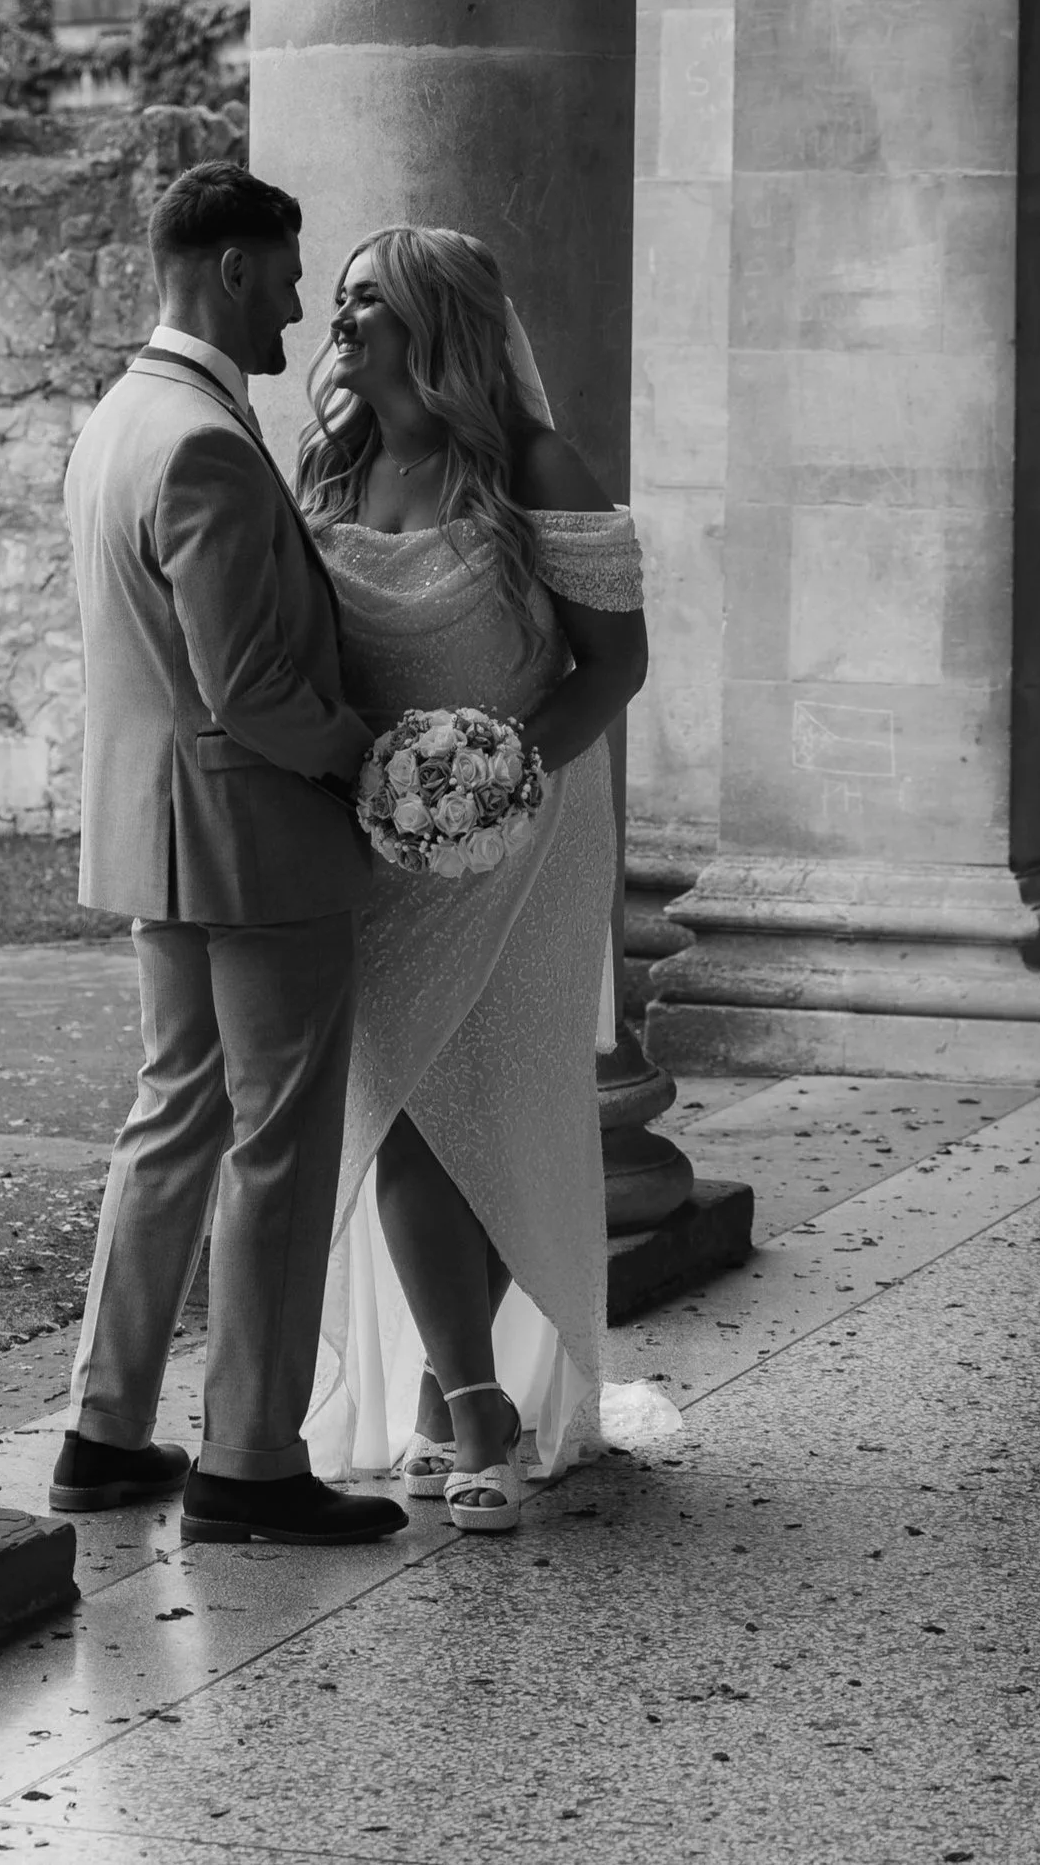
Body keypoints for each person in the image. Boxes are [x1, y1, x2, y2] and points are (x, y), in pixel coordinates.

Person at [296, 225, 678, 1533]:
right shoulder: (332, 462)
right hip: (380, 850)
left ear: (435, 324)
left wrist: (506, 773)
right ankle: (474, 1404)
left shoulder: (532, 469)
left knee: (497, 1124)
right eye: (340, 299)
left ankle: (452, 1399)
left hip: (521, 839)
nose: (339, 320)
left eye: (365, 302)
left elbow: (610, 668)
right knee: (403, 1110)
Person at [52, 161, 407, 1548]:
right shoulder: (200, 435)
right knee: (277, 1141)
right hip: (250, 843)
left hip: (156, 836)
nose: (303, 304)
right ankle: (251, 1457)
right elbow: (247, 686)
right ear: (234, 267)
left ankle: (103, 1425)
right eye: (290, 272)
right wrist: (365, 755)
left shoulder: (119, 417)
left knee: (175, 1118)